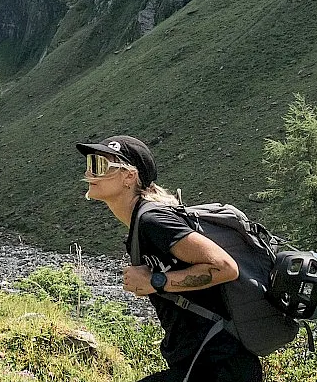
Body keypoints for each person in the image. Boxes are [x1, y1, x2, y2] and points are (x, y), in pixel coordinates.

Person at [79, 136, 257, 382]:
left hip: (218, 364)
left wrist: (156, 281)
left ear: (129, 176)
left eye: (98, 165)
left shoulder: (154, 221)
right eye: (89, 164)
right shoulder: (142, 222)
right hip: (205, 362)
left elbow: (225, 267)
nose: (89, 173)